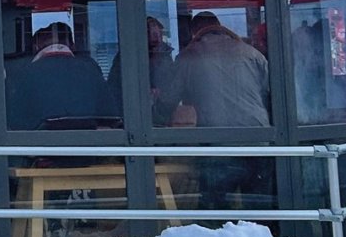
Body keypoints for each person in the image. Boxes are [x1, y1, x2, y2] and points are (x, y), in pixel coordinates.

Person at [170, 12, 272, 212]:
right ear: (220, 26)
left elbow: (170, 98)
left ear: (193, 32)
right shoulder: (251, 53)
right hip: (258, 138)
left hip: (217, 140)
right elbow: (268, 92)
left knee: (216, 208)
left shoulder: (189, 55)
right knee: (259, 206)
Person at [5, 22, 109, 130]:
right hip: (91, 142)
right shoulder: (91, 69)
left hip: (38, 143)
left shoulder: (24, 72)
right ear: (73, 46)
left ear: (36, 47)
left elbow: (14, 123)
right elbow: (110, 117)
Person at [106, 16, 176, 125]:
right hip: (132, 118)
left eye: (158, 36)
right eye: (151, 37)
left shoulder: (165, 56)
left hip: (163, 117)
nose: (156, 43)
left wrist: (162, 94)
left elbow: (173, 86)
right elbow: (113, 90)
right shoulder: (126, 58)